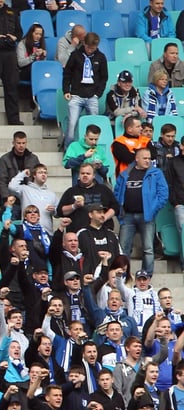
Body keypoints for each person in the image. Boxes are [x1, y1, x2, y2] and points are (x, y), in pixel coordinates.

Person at [114, 147, 168, 277]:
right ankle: (123, 276)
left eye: (149, 158)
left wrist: (153, 209)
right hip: (127, 216)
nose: (148, 161)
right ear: (137, 158)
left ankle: (146, 276)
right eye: (145, 158)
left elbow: (163, 195)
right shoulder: (125, 173)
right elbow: (116, 192)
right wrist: (119, 208)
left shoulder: (156, 173)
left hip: (147, 216)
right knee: (124, 248)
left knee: (148, 249)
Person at [62, 33, 108, 151]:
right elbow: (67, 73)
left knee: (93, 126)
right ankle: (68, 150)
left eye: (93, 48)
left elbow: (104, 77)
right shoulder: (75, 55)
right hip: (76, 95)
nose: (90, 50)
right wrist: (66, 90)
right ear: (84, 44)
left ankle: (92, 150)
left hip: (92, 96)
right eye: (88, 47)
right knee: (72, 124)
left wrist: (98, 94)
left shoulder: (101, 57)